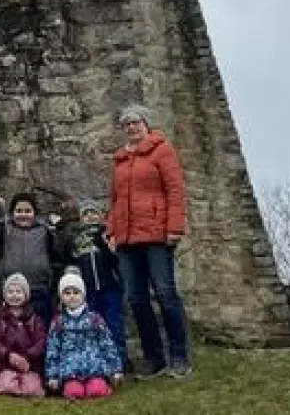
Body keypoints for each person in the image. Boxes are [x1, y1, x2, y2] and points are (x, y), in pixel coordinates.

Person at [108, 104, 193, 378]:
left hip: (156, 235)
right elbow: (115, 200)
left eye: (135, 122)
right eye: (126, 124)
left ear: (146, 124)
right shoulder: (120, 160)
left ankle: (179, 357)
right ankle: (154, 358)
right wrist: (111, 232)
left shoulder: (162, 150)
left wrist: (175, 227)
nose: (131, 127)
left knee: (166, 294)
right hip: (127, 240)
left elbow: (175, 190)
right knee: (136, 298)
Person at [0, 191, 61, 322]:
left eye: (27, 211)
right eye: (19, 211)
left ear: (34, 213)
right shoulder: (4, 227)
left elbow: (57, 251)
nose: (23, 214)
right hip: (11, 289)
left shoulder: (44, 229)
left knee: (39, 326)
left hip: (38, 287)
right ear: (12, 213)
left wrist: (58, 227)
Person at [60, 197, 128, 368]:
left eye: (94, 213)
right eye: (86, 214)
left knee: (114, 325)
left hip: (109, 288)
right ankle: (97, 362)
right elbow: (68, 257)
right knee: (92, 327)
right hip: (87, 292)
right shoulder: (76, 239)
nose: (90, 217)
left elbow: (117, 259)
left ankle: (119, 361)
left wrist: (105, 243)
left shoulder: (108, 235)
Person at [45, 268, 124, 399]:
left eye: (76, 292)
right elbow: (53, 350)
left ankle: (102, 384)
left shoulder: (94, 318)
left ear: (83, 295)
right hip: (70, 371)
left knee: (96, 391)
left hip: (95, 368)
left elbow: (107, 344)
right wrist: (53, 376)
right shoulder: (58, 322)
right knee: (74, 392)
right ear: (61, 297)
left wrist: (115, 369)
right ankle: (71, 387)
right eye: (67, 293)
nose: (72, 296)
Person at [0, 272, 47, 397]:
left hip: (29, 364)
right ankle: (10, 383)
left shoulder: (34, 318)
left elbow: (41, 341)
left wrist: (28, 356)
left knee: (32, 390)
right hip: (6, 364)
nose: (14, 295)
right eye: (10, 292)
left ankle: (26, 384)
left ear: (26, 295)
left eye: (18, 292)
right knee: (7, 386)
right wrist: (8, 355)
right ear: (5, 295)